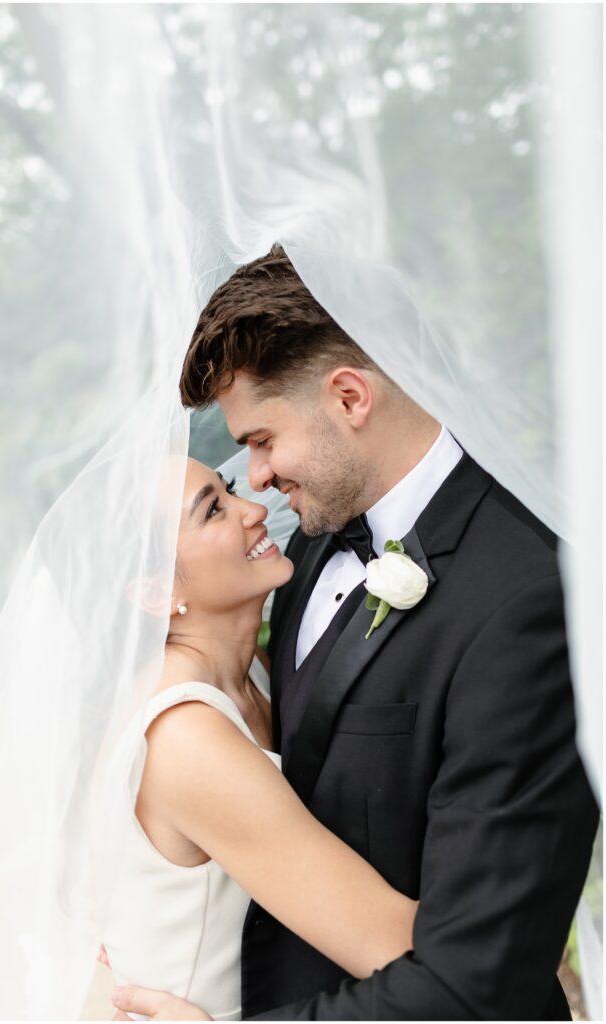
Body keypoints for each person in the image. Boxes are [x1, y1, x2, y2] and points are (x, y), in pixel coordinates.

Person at [110, 246, 598, 1021]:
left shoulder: (525, 597)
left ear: (348, 397)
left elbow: (481, 977)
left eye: (261, 441)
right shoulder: (312, 540)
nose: (255, 481)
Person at [100, 456, 418, 1021]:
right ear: (155, 593)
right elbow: (394, 944)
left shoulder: (249, 670)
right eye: (213, 511)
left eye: (227, 490)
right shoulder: (185, 735)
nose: (253, 510)